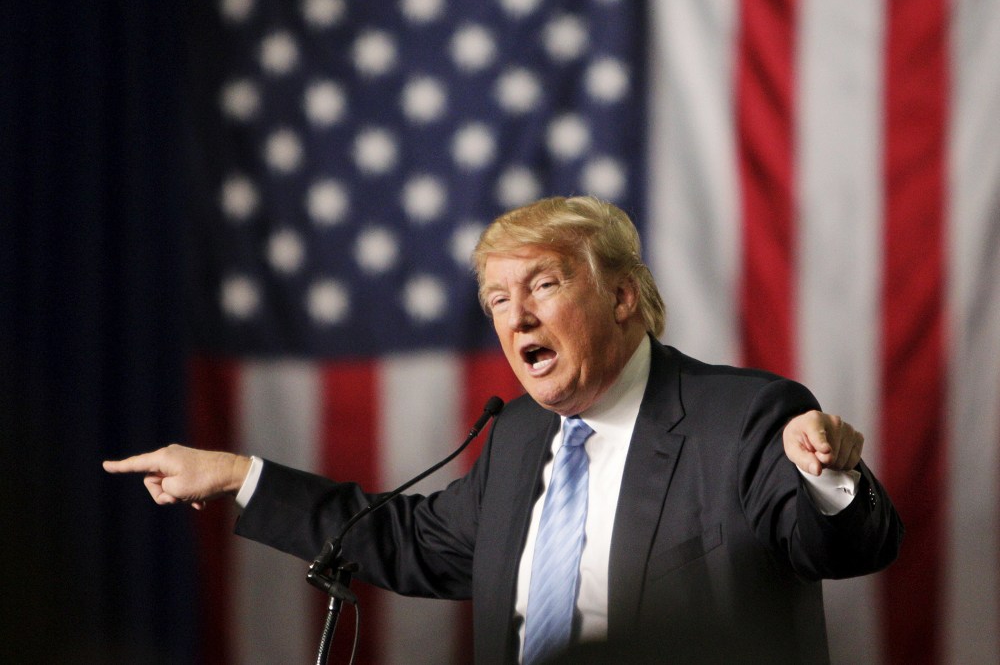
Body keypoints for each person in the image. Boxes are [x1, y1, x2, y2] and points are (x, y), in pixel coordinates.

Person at [105, 196, 902, 664]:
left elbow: (843, 547)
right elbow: (409, 542)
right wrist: (239, 475)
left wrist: (829, 480)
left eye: (544, 285)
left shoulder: (745, 418)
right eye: (496, 299)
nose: (514, 315)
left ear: (623, 297)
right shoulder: (521, 439)